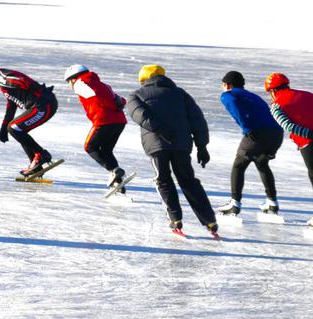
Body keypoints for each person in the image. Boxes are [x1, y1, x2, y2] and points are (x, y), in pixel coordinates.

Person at [126, 64, 218, 236]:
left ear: (144, 79)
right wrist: (202, 146)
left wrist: (161, 130)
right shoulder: (180, 93)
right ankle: (210, 221)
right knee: (188, 181)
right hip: (181, 144)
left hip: (156, 145)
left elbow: (140, 115)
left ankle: (175, 219)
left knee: (163, 180)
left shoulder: (136, 95)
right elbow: (197, 119)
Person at [0, 55, 58, 176]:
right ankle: (36, 166)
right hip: (41, 104)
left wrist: (39, 91)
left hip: (43, 105)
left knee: (14, 128)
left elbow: (21, 80)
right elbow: (11, 103)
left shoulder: (3, 77)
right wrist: (4, 126)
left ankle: (41, 155)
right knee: (16, 129)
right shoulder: (0, 80)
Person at [217, 71, 284, 216]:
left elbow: (234, 105)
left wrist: (246, 128)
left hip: (257, 133)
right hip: (277, 134)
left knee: (238, 165)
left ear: (228, 85)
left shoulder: (228, 95)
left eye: (223, 85)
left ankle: (234, 203)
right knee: (262, 163)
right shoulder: (253, 96)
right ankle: (272, 201)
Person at [64, 64, 128, 191]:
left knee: (90, 147)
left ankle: (114, 170)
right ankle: (118, 182)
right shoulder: (101, 84)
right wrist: (115, 105)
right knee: (106, 150)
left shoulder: (80, 83)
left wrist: (106, 105)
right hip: (119, 120)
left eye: (68, 82)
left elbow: (97, 95)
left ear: (73, 78)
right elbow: (121, 100)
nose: (69, 86)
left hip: (103, 120)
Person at [264, 72, 313, 225]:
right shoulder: (307, 94)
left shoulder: (276, 106)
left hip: (308, 143)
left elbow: (288, 126)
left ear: (272, 91)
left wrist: (310, 134)